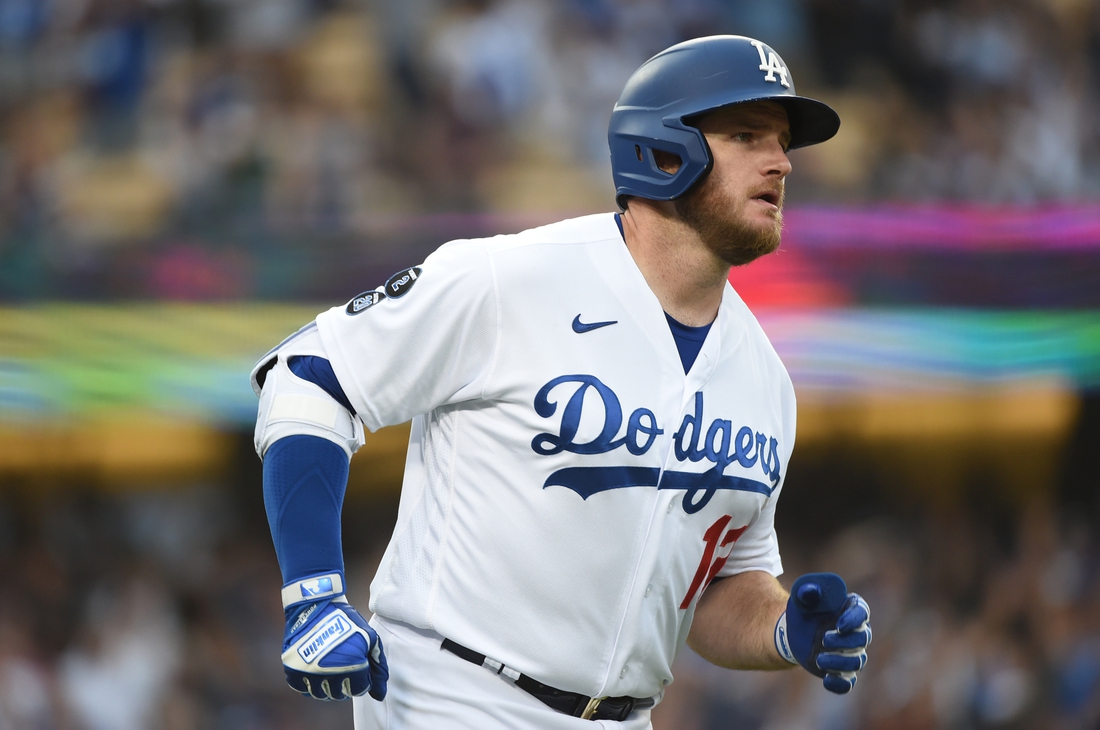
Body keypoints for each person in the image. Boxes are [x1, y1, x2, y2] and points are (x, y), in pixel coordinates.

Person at [250, 34, 872, 729]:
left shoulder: (765, 380)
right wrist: (313, 593)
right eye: (746, 135)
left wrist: (785, 630)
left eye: (783, 141)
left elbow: (713, 590)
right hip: (453, 697)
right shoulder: (511, 278)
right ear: (665, 150)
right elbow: (308, 376)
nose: (781, 162)